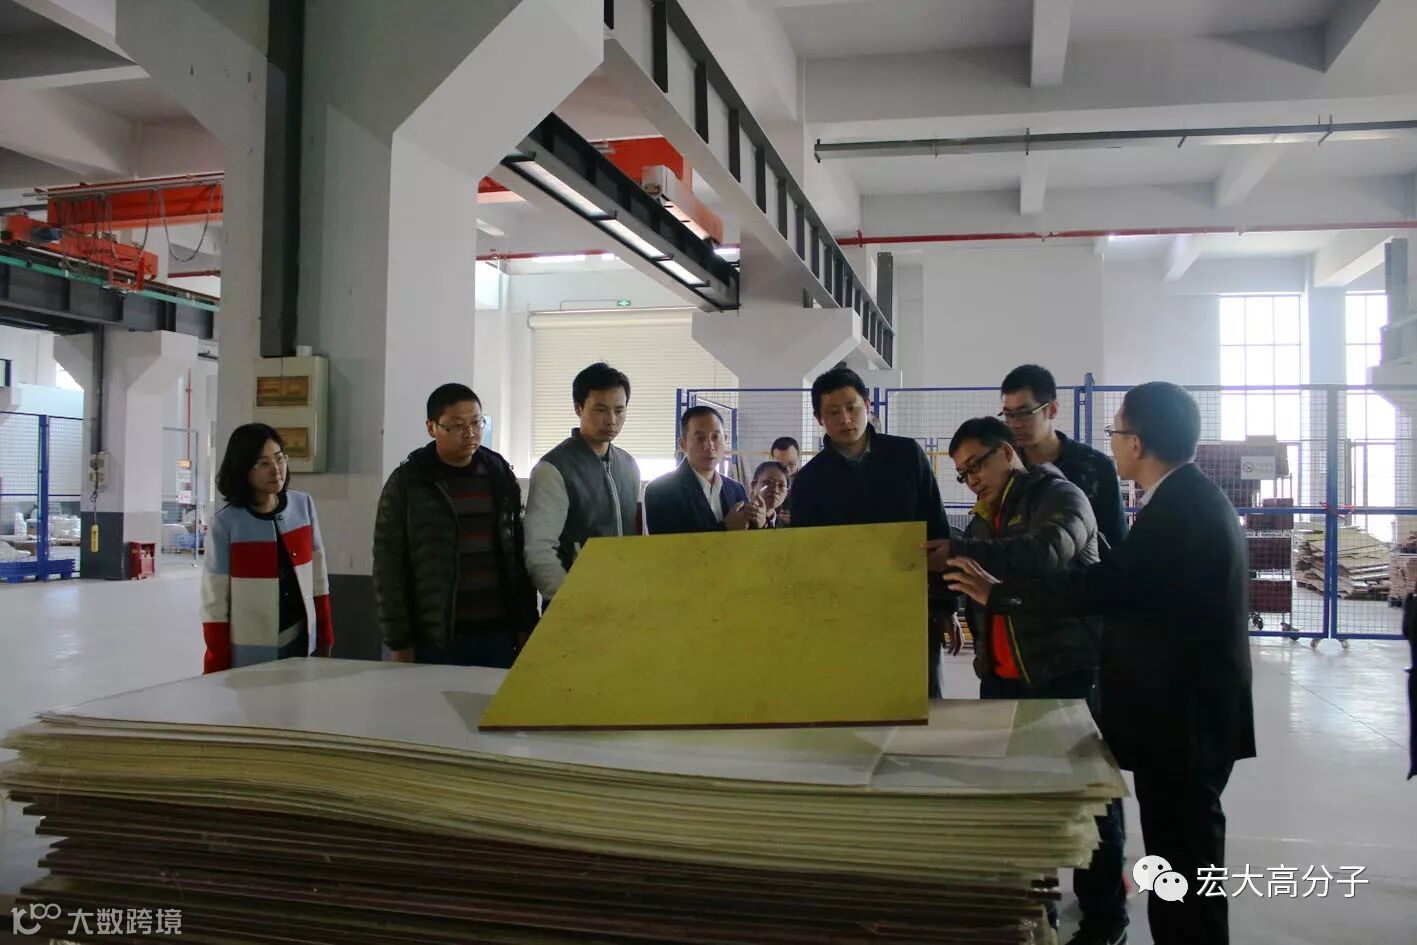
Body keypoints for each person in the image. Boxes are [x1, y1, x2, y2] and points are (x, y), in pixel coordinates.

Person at [946, 382, 1255, 945]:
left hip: (1182, 723)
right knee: (1181, 862)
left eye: (1115, 431)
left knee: (1182, 865)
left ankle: (1119, 920)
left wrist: (1001, 594)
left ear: (1137, 442)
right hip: (1183, 719)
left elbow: (1098, 584)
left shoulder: (1168, 509)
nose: (1110, 442)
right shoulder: (1187, 501)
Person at [936, 417, 1125, 945]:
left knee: (1087, 802)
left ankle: (1106, 918)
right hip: (1003, 678)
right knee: (1022, 803)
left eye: (976, 465)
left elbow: (1045, 553)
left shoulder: (1061, 496)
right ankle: (1039, 906)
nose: (972, 479)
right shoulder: (981, 520)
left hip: (1063, 674)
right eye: (962, 473)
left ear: (1006, 452)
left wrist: (958, 551)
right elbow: (975, 584)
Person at [788, 366, 959, 696]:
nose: (845, 419)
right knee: (855, 697)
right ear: (819, 419)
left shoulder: (907, 457)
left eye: (852, 407)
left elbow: (937, 530)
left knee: (921, 698)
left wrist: (945, 606)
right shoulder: (809, 481)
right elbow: (807, 557)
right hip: (845, 614)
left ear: (868, 406)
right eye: (833, 412)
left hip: (912, 605)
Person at [373, 384, 537, 668]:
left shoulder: (499, 474)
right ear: (432, 428)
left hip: (498, 633)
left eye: (476, 422)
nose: (470, 433)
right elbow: (388, 568)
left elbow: (517, 557)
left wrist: (526, 624)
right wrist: (399, 642)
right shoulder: (409, 482)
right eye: (458, 425)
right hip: (435, 637)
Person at [201, 424, 333, 673]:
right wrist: (217, 662)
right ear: (242, 469)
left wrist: (325, 634)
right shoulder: (226, 524)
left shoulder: (303, 506)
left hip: (301, 640)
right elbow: (215, 603)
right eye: (263, 463)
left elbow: (318, 578)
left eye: (279, 458)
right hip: (250, 654)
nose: (276, 469)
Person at [524, 362, 640, 604]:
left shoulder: (628, 466)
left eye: (619, 410)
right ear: (578, 408)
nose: (611, 420)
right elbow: (539, 549)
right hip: (575, 605)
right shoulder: (553, 468)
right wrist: (569, 600)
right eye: (601, 409)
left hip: (624, 600)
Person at [1000, 364, 1127, 554]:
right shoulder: (1003, 467)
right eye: (1008, 415)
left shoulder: (1095, 468)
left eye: (1025, 414)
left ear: (1052, 410)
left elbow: (1115, 542)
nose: (1015, 424)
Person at [645, 406, 764, 534]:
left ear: (725, 440)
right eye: (700, 438)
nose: (709, 446)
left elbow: (747, 538)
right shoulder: (660, 491)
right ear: (683, 444)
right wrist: (725, 528)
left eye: (715, 437)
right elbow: (667, 543)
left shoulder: (736, 489)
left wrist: (760, 523)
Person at [769, 436, 801, 525]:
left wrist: (799, 518)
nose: (786, 470)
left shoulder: (810, 482)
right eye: (780, 465)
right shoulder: (764, 482)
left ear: (799, 458)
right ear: (771, 459)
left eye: (791, 464)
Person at [749, 460, 790, 528]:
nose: (775, 489)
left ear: (787, 493)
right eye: (768, 482)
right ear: (753, 485)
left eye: (781, 485)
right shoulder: (739, 520)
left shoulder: (787, 528)